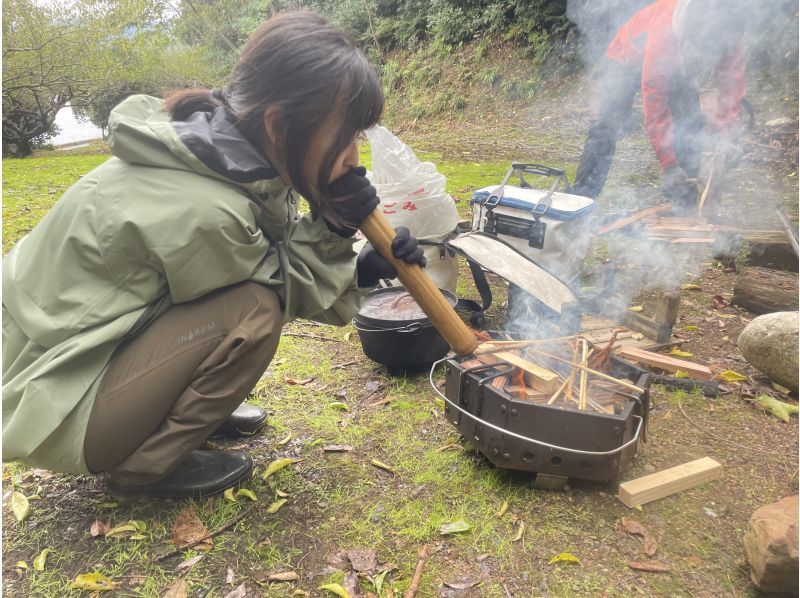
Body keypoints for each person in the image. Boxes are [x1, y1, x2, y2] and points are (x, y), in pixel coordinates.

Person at [2, 12, 426, 499]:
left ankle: (179, 419)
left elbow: (282, 266)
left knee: (244, 302)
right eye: (344, 135)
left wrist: (361, 268)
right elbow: (285, 294)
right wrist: (333, 224)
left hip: (69, 366)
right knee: (253, 311)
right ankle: (143, 470)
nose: (353, 155)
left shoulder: (226, 156)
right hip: (53, 403)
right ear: (279, 125)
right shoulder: (206, 208)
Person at [570, 0, 747, 207]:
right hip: (625, 59)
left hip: (675, 67)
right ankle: (579, 201)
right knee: (606, 126)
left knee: (690, 124)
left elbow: (731, 87)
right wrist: (668, 163)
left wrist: (728, 137)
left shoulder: (732, 33)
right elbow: (655, 108)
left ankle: (684, 203)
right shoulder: (665, 33)